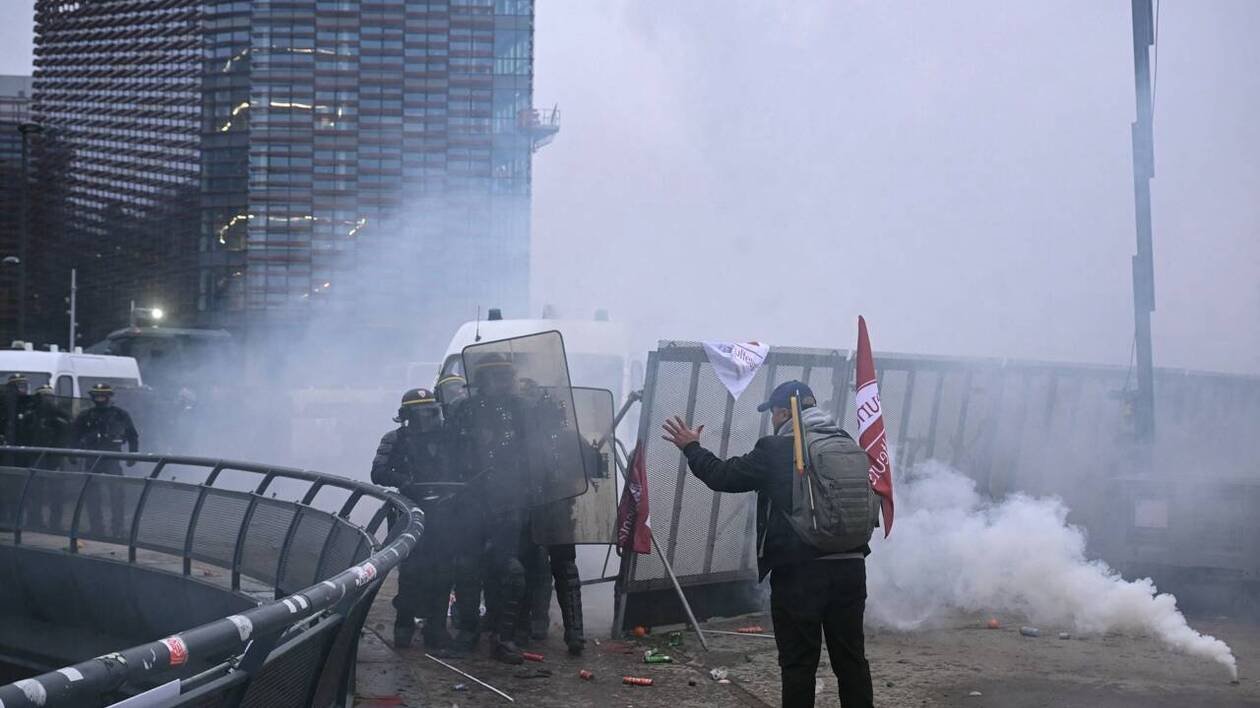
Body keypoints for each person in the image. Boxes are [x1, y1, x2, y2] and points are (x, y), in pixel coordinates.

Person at [661, 380, 874, 708]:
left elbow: (723, 476)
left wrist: (692, 447)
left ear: (783, 412)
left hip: (800, 575)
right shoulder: (845, 442)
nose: (772, 420)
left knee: (799, 663)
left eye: (773, 414)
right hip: (851, 567)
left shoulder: (776, 449)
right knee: (851, 660)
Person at [448, 354, 534, 665]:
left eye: (505, 375)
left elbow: (536, 452)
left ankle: (503, 637)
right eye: (496, 376)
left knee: (509, 570)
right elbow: (451, 453)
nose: (502, 382)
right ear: (482, 380)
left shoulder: (522, 409)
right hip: (471, 499)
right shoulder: (464, 410)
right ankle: (468, 631)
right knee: (467, 567)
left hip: (509, 500)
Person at [370, 388, 457, 650]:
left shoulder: (449, 437)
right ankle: (403, 627)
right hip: (411, 513)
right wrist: (404, 481)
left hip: (444, 512)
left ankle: (436, 629)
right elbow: (378, 472)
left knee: (443, 571)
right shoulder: (394, 439)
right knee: (411, 572)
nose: (428, 420)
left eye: (431, 413)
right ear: (407, 416)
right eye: (421, 415)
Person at [72, 383, 139, 537]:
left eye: (102, 395)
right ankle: (96, 528)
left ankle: (117, 529)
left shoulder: (120, 415)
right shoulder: (86, 415)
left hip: (112, 459)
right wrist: (72, 453)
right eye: (97, 395)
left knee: (117, 495)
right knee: (92, 496)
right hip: (92, 459)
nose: (99, 398)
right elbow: (74, 435)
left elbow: (132, 436)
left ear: (109, 396)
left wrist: (133, 455)